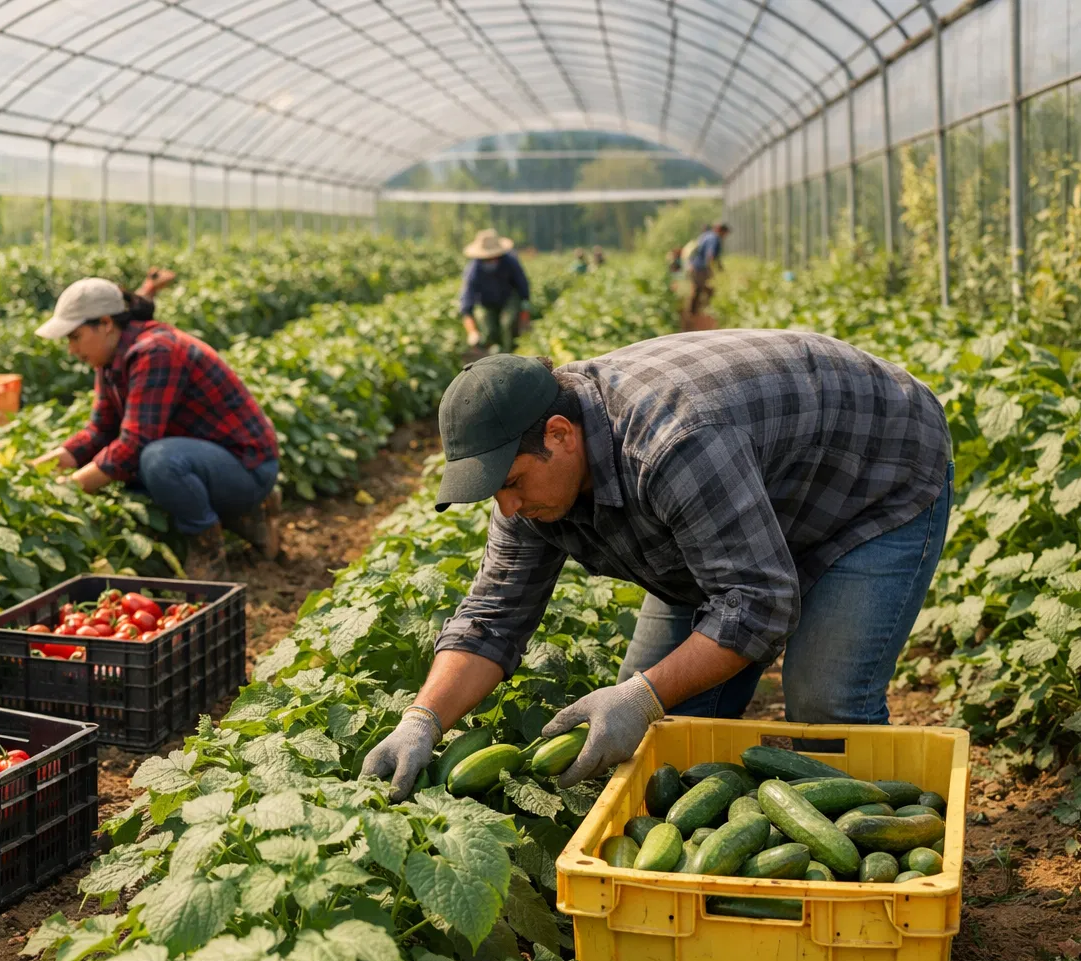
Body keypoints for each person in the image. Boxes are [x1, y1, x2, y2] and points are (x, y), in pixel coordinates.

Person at [361, 338, 953, 800]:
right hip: (734, 500)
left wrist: (644, 693)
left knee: (826, 709)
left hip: (870, 475)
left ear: (560, 435)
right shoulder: (530, 488)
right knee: (655, 733)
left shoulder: (672, 444)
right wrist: (423, 719)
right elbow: (494, 617)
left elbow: (758, 603)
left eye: (512, 482)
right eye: (495, 491)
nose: (507, 507)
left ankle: (870, 882)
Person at [29, 278, 281, 580]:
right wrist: (35, 470)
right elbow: (99, 432)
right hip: (207, 461)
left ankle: (208, 550)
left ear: (106, 324)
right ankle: (249, 518)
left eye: (75, 337)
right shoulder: (110, 361)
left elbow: (134, 444)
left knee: (157, 461)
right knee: (127, 469)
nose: (71, 349)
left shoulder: (156, 351)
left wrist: (67, 489)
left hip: (249, 467)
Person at [459, 229, 531, 358]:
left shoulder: (510, 261)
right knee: (488, 330)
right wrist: (472, 331)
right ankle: (492, 354)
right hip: (485, 302)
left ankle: (510, 354)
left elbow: (522, 284)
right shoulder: (473, 270)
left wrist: (525, 308)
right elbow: (466, 303)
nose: (490, 259)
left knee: (507, 323)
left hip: (508, 298)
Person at [686, 223, 729, 317]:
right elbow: (710, 256)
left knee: (699, 289)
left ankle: (693, 313)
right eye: (725, 234)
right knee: (709, 290)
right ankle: (706, 313)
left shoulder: (707, 236)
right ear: (721, 231)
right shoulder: (714, 238)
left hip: (696, 267)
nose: (725, 237)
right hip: (701, 268)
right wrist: (713, 270)